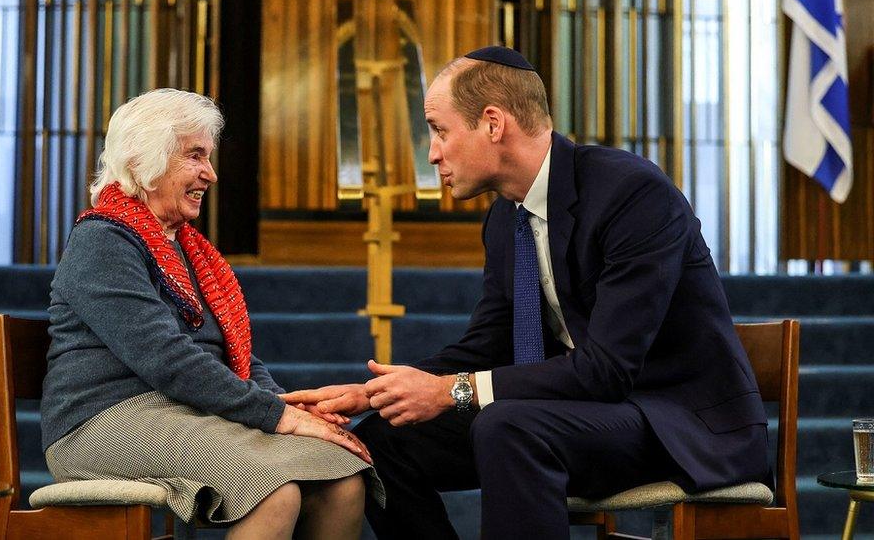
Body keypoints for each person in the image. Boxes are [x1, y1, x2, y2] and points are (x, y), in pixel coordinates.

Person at [281, 47, 770, 538]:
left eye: (440, 129)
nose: (432, 153)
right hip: (579, 416)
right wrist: (372, 395)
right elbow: (486, 346)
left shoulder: (632, 193)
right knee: (384, 442)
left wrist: (452, 392)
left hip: (675, 423)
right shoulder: (504, 219)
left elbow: (608, 370)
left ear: (493, 124)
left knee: (509, 426)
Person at [41, 88, 382, 539]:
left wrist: (282, 402)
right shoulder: (102, 241)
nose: (211, 174)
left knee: (341, 477)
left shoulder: (188, 249)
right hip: (102, 421)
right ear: (146, 161)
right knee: (273, 489)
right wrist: (275, 416)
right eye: (195, 156)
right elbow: (169, 360)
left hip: (181, 409)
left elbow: (231, 353)